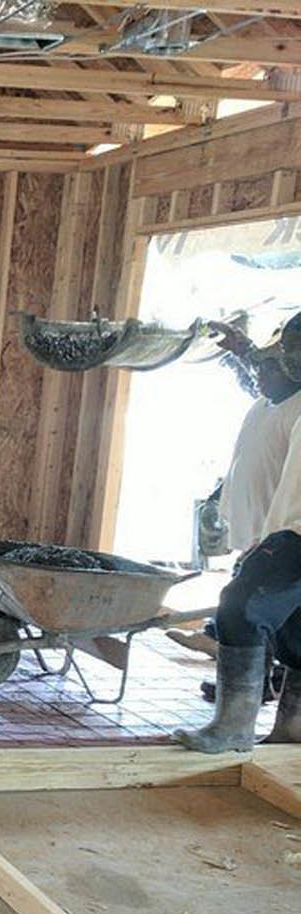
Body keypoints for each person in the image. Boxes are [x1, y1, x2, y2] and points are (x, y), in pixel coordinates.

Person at [175, 312, 301, 752]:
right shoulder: (283, 400)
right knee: (295, 630)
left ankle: (232, 728)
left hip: (295, 534)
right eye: (287, 349)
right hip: (283, 528)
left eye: (294, 350)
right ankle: (293, 728)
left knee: (238, 608)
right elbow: (264, 378)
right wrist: (242, 350)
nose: (288, 359)